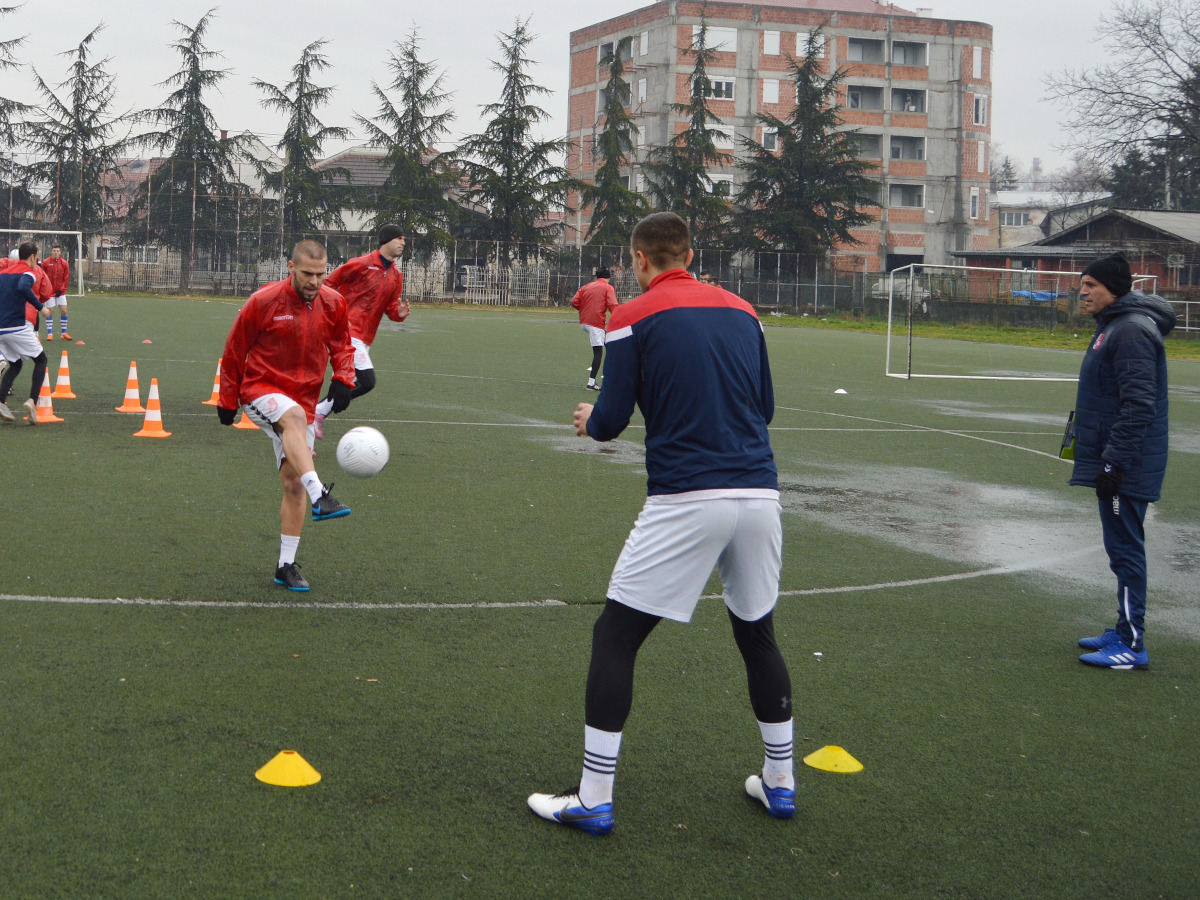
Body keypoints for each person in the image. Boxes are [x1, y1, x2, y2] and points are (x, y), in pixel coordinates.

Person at [528, 212, 794, 835]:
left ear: (639, 260)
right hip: (759, 494)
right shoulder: (744, 311)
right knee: (758, 636)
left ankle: (594, 799)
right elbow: (768, 409)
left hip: (686, 497)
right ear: (692, 254)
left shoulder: (631, 315)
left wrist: (589, 420)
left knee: (616, 637)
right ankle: (780, 783)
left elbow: (613, 420)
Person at [218, 239, 357, 593]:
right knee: (293, 417)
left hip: (305, 400)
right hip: (261, 389)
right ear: (291, 268)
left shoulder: (334, 303)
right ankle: (321, 494)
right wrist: (227, 398)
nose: (314, 281)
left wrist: (344, 378)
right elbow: (236, 349)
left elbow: (342, 345)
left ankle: (286, 565)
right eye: (308, 273)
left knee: (293, 483)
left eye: (321, 274)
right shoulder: (263, 301)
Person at [1072, 253, 1175, 670]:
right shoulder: (1115, 326)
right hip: (1116, 458)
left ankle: (1132, 645)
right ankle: (1123, 627)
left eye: (1092, 285)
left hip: (1128, 463)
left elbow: (1138, 405)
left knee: (1126, 549)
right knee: (1119, 547)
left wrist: (1113, 464)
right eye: (1083, 284)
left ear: (1114, 289)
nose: (1083, 291)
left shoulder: (1130, 330)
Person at [312, 225, 410, 439]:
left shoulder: (396, 275)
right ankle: (316, 413)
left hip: (364, 339)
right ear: (386, 241)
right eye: (399, 238)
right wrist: (327, 311)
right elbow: (329, 283)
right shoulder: (361, 264)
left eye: (404, 239)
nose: (403, 242)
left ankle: (307, 423)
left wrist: (399, 313)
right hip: (346, 332)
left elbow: (391, 309)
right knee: (367, 381)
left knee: (345, 383)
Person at [0, 242, 49, 425]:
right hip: (16, 327)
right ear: (32, 257)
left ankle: (1, 401)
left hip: (1, 329)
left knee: (15, 364)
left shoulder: (3, 274)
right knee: (41, 359)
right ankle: (32, 401)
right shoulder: (28, 272)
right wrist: (41, 308)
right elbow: (23, 287)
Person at [571, 266, 618, 391]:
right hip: (595, 324)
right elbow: (613, 305)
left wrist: (585, 310)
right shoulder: (608, 287)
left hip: (585, 322)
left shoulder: (586, 286)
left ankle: (611, 376)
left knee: (610, 344)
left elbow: (574, 301)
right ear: (608, 278)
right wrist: (619, 320)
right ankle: (591, 383)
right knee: (598, 353)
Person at [39, 244, 71, 341]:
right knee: (50, 312)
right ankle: (50, 334)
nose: (55, 252)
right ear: (51, 251)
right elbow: (42, 277)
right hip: (49, 292)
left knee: (64, 310)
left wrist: (61, 290)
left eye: (57, 251)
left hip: (60, 292)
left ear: (60, 252)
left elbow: (66, 278)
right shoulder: (46, 262)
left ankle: (63, 333)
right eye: (54, 250)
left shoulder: (64, 263)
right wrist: (46, 290)